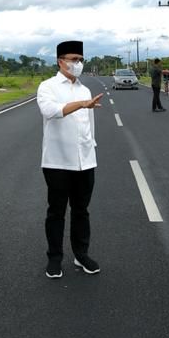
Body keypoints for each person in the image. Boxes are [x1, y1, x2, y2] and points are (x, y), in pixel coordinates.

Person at [36, 40, 104, 278]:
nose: (78, 64)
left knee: (81, 211)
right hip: (57, 161)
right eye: (73, 59)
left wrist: (91, 146)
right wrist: (82, 104)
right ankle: (54, 258)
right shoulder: (48, 87)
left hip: (85, 160)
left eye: (80, 59)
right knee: (56, 211)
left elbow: (89, 125)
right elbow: (51, 112)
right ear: (60, 61)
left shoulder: (84, 89)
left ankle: (81, 254)